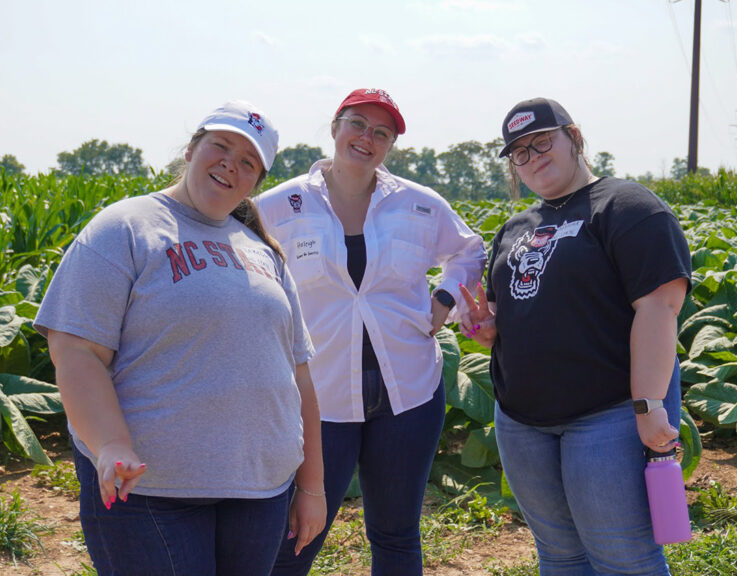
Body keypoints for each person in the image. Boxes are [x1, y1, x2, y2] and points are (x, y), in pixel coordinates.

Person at [34, 101, 326, 576]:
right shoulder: (125, 227)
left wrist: (311, 487)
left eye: (249, 161)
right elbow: (76, 350)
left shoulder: (262, 250)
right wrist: (110, 444)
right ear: (191, 149)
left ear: (257, 181)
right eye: (221, 146)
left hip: (261, 491)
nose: (231, 163)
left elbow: (299, 377)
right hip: (150, 491)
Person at [255, 88, 486, 575]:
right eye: (358, 124)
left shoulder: (418, 205)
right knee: (296, 536)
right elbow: (238, 256)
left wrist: (445, 297)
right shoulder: (281, 204)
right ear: (335, 126)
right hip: (320, 400)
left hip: (408, 394)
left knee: (396, 533)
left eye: (382, 133)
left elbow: (468, 250)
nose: (367, 138)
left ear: (390, 147)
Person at [460, 97, 692, 576]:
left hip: (606, 417)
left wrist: (648, 407)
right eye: (519, 153)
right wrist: (490, 327)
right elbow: (520, 311)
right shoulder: (515, 228)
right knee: (559, 556)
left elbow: (659, 307)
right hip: (522, 423)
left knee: (623, 558)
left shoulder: (627, 207)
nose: (532, 157)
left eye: (542, 141)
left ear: (575, 138)